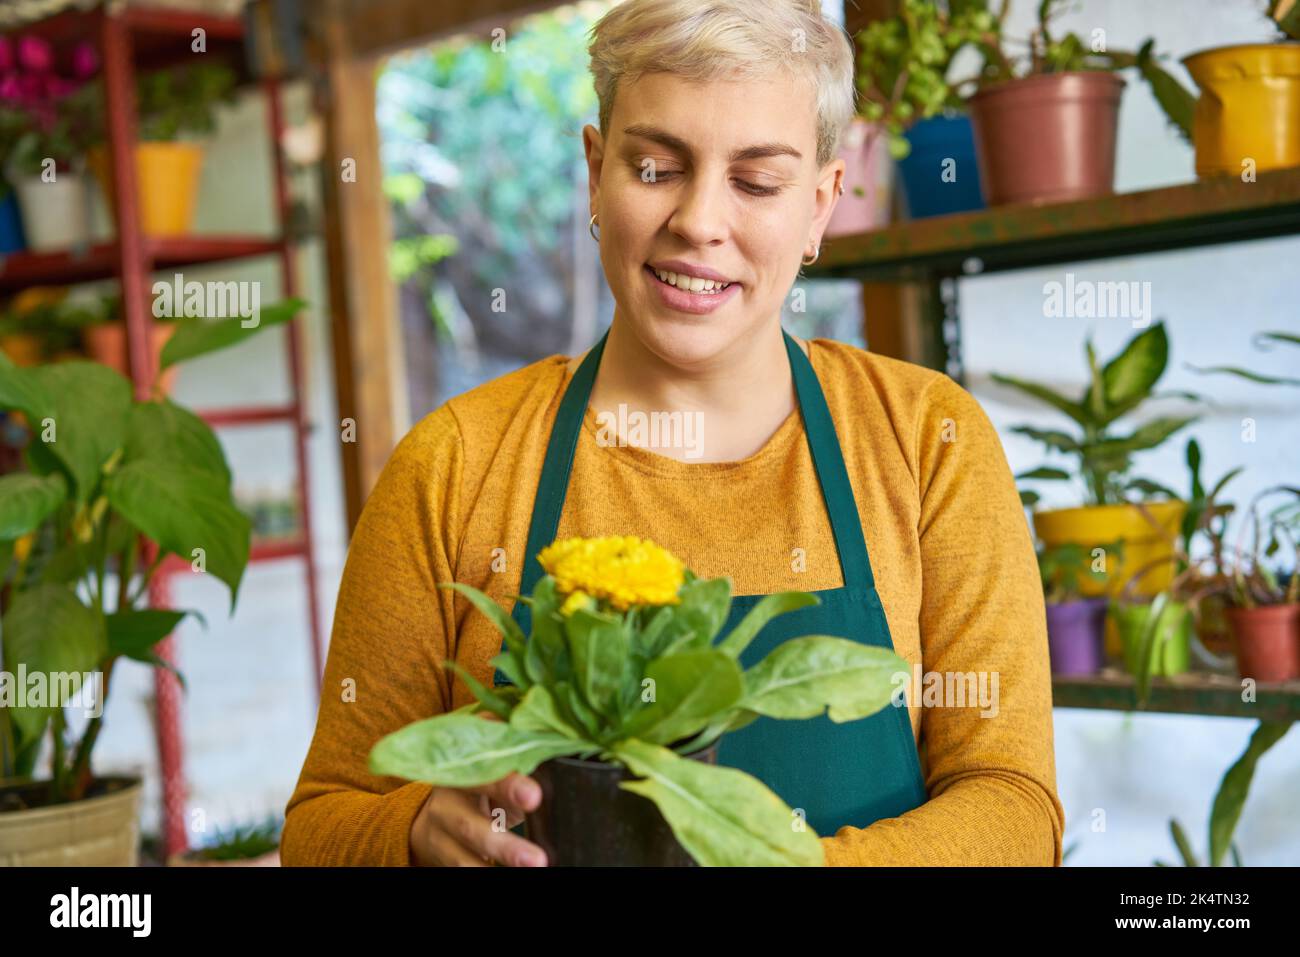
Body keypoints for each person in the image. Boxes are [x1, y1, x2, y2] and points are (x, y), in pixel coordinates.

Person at [281, 0, 1064, 867]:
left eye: (758, 182)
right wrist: (414, 831)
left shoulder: (927, 443)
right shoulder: (455, 465)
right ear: (594, 171)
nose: (698, 220)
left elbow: (1014, 808)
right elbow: (320, 826)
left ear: (820, 206)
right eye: (655, 167)